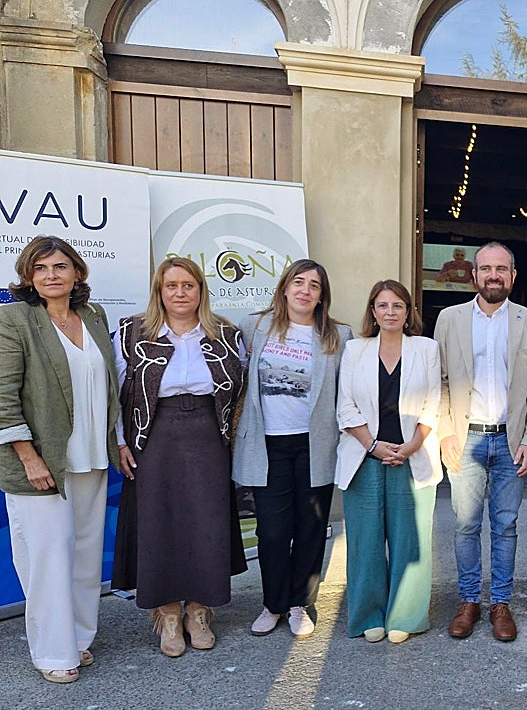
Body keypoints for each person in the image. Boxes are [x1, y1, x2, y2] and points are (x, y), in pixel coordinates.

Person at [111, 256, 246, 657]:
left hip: (208, 437)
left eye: (188, 285)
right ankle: (167, 613)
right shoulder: (132, 333)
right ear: (159, 291)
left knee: (206, 523)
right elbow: (117, 396)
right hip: (153, 437)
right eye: (172, 286)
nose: (180, 293)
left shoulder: (225, 334)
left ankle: (199, 611)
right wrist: (120, 442)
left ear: (201, 290)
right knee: (159, 524)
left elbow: (240, 397)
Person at [0, 236, 121, 683]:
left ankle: (78, 637)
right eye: (41, 268)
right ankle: (53, 653)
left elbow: (106, 383)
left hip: (91, 455)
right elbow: (2, 397)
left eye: (60, 266)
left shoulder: (93, 315)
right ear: (29, 276)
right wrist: (29, 457)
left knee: (85, 555)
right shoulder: (14, 319)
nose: (51, 275)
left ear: (77, 272)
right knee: (47, 558)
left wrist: (117, 441)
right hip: (41, 462)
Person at [233, 260, 352, 640]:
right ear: (285, 288)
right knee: (271, 531)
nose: (304, 290)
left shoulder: (338, 335)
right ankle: (273, 604)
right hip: (268, 446)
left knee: (311, 528)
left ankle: (301, 603)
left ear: (321, 296)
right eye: (298, 282)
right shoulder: (254, 327)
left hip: (314, 445)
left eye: (314, 285)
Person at [434, 241, 527, 642]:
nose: (493, 275)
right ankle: (468, 601)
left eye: (501, 269)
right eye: (486, 268)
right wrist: (446, 431)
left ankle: (500, 602)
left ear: (513, 276)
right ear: (474, 274)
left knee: (506, 525)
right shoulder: (449, 319)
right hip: (465, 439)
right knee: (464, 526)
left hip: (510, 441)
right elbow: (441, 382)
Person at [335, 280, 441, 643]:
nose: (391, 312)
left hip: (412, 457)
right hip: (364, 458)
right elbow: (344, 405)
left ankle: (406, 616)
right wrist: (373, 445)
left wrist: (411, 445)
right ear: (373, 312)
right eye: (383, 305)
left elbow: (433, 401)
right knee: (365, 542)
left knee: (409, 542)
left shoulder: (426, 348)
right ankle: (368, 617)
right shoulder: (355, 349)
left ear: (409, 311)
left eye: (398, 305)